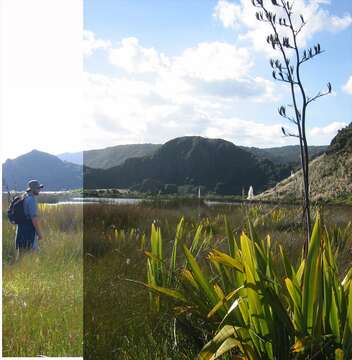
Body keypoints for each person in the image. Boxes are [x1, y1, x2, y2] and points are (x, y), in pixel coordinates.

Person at [15, 180, 44, 259]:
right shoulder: (32, 200)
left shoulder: (24, 197)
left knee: (21, 254)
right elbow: (34, 219)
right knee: (34, 254)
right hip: (28, 231)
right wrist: (39, 233)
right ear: (34, 189)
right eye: (38, 188)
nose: (39, 190)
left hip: (20, 230)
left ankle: (19, 268)